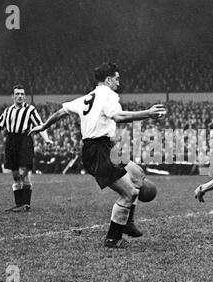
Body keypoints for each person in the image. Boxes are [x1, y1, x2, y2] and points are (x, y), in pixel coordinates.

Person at [29, 62, 166, 249]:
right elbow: (118, 117)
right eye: (117, 78)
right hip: (99, 150)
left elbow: (62, 111)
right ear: (108, 80)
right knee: (129, 193)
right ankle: (113, 238)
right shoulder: (109, 95)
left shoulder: (88, 96)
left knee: (138, 175)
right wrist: (148, 114)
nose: (119, 82)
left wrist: (44, 126)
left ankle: (127, 222)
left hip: (106, 147)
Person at [0, 84, 53, 212]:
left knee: (24, 172)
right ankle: (19, 204)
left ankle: (26, 204)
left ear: (25, 96)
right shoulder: (8, 111)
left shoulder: (30, 110)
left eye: (22, 94)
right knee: (15, 174)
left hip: (25, 140)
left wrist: (46, 139)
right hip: (11, 141)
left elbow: (40, 125)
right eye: (17, 94)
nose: (20, 96)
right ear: (12, 96)